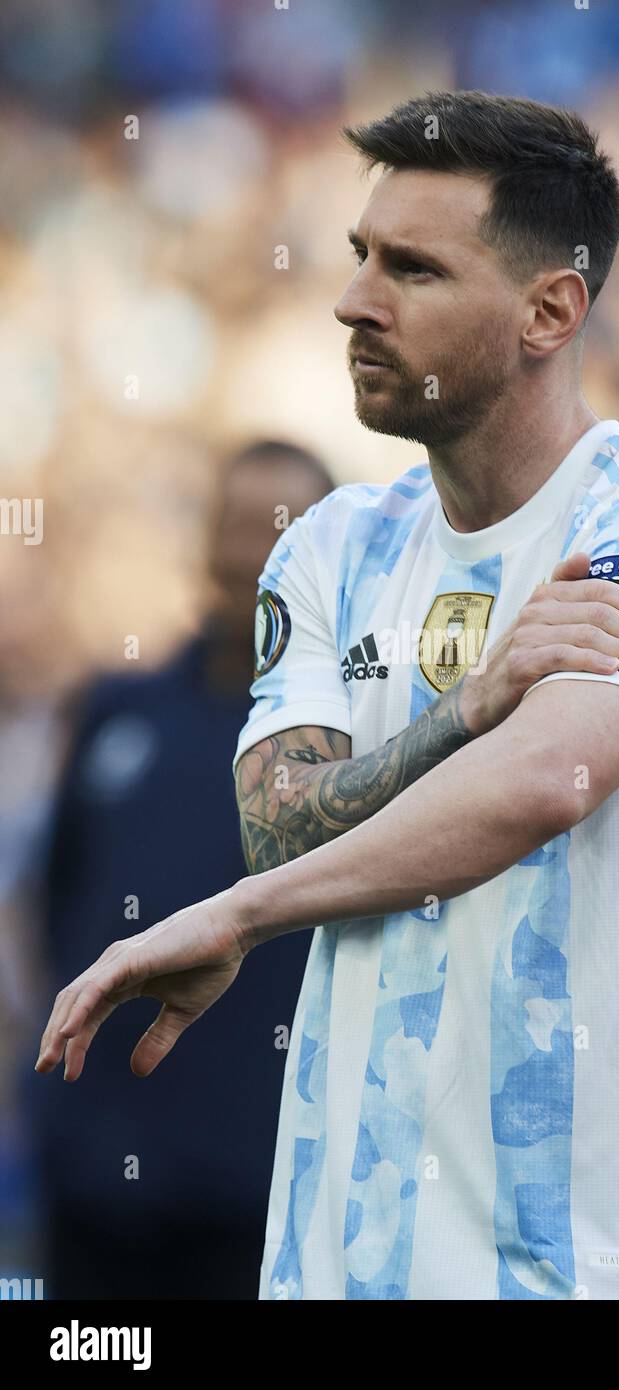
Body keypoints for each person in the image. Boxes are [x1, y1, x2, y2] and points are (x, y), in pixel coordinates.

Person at [36, 91, 619, 1301]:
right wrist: (469, 703)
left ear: (550, 310)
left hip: (574, 1273)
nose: (354, 301)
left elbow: (545, 777)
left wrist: (238, 916)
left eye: (414, 269)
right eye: (359, 256)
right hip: (329, 1271)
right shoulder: (329, 546)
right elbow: (276, 820)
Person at [26, 441, 335, 1298]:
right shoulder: (118, 711)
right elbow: (60, 903)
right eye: (234, 527)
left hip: (257, 1189)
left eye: (277, 534)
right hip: (93, 1177)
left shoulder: (345, 744)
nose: (248, 556)